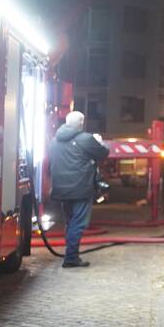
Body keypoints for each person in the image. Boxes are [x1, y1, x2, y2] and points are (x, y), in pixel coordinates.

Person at [49, 110, 109, 268]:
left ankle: (71, 254)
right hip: (81, 188)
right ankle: (71, 258)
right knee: (78, 223)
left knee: (70, 222)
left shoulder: (54, 140)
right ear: (81, 123)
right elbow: (103, 154)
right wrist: (99, 142)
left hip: (61, 188)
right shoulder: (85, 139)